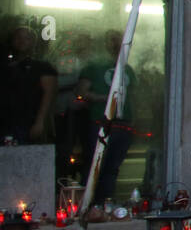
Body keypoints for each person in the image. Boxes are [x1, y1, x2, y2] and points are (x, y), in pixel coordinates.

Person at [72, 30, 135, 205]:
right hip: (101, 123)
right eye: (111, 40)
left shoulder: (128, 69)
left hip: (123, 125)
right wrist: (107, 98)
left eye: (118, 40)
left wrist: (133, 121)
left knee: (112, 169)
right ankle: (86, 207)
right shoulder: (93, 68)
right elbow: (82, 93)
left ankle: (103, 205)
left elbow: (133, 97)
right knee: (94, 166)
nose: (115, 44)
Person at [0, 24, 57, 145]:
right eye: (18, 37)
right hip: (6, 120)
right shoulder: (5, 66)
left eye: (27, 38)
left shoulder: (43, 66)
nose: (22, 41)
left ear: (33, 42)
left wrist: (40, 121)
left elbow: (49, 95)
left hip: (29, 121)